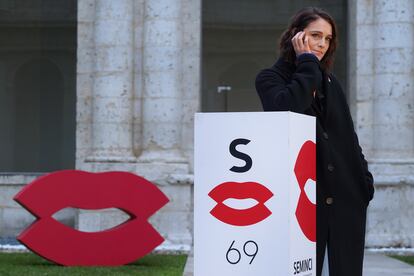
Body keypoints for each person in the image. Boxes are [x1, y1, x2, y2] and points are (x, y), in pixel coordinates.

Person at [255, 7, 374, 276]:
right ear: (295, 37)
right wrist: (307, 63)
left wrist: (365, 182)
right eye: (315, 35)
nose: (322, 44)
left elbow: (349, 137)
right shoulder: (269, 79)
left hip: (347, 194)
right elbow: (288, 109)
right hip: (304, 199)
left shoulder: (332, 83)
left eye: (328, 38)